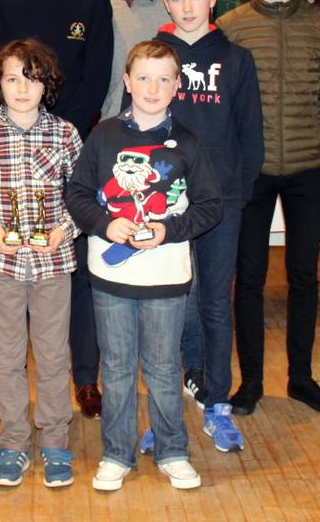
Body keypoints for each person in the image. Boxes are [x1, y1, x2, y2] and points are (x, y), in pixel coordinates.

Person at [0, 0, 112, 418]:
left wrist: (60, 135)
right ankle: (10, 386)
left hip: (70, 146)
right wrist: (28, 129)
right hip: (11, 146)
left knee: (69, 267)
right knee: (14, 269)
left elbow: (97, 71)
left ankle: (83, 378)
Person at [66, 39, 222, 492]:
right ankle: (117, 453)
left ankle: (173, 450)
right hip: (111, 277)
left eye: (163, 79)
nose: (153, 88)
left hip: (166, 277)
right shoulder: (103, 136)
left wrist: (167, 230)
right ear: (128, 82)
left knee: (163, 368)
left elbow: (210, 206)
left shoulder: (188, 143)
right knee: (116, 368)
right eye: (144, 78)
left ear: (177, 86)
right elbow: (77, 193)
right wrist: (105, 224)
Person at [218, 0, 320, 416]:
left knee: (304, 276)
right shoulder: (232, 26)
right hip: (252, 172)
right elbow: (226, 102)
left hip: (307, 169)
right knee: (249, 277)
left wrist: (314, 139)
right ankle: (250, 382)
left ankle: (302, 378)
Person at [146, 0, 261, 454]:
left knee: (215, 302)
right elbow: (139, 128)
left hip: (221, 203)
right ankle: (165, 412)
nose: (188, 7)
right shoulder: (154, 57)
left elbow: (251, 136)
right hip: (165, 203)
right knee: (168, 304)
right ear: (166, 3)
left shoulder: (236, 59)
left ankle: (217, 402)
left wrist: (237, 194)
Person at [0, 39, 82, 489]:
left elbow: (83, 194)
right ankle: (13, 441)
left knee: (53, 356)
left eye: (32, 79)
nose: (22, 88)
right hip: (1, 263)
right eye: (12, 79)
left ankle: (54, 440)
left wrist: (65, 229)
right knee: (8, 357)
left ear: (47, 85)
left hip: (52, 263)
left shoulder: (65, 133)